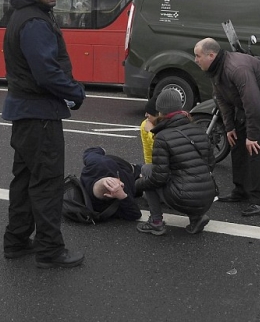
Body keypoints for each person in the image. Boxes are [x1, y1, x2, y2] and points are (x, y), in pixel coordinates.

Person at [2, 0, 86, 269]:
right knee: (48, 183)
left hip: (24, 113)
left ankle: (16, 241)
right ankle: (50, 250)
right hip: (40, 115)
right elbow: (46, 72)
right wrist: (75, 92)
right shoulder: (35, 22)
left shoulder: (21, 17)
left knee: (24, 181)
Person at [194, 37, 260, 217]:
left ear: (211, 55)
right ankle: (241, 191)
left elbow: (254, 106)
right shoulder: (215, 68)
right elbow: (221, 99)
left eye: (198, 56)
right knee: (236, 142)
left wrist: (252, 136)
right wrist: (230, 127)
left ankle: (259, 201)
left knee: (256, 149)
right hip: (247, 103)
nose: (195, 60)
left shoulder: (236, 69)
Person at [135, 89, 216, 235]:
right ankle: (196, 217)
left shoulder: (162, 137)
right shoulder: (198, 130)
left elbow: (158, 178)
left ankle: (156, 222)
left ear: (160, 112)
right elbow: (210, 164)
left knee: (147, 170)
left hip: (183, 197)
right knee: (188, 175)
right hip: (208, 196)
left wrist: (138, 184)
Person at [79, 147, 142, 222]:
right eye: (120, 187)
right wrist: (123, 196)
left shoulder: (99, 163)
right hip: (136, 181)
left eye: (118, 181)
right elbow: (135, 214)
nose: (122, 185)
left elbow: (89, 152)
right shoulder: (102, 206)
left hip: (128, 167)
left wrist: (101, 149)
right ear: (111, 194)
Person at [140, 97, 157, 164]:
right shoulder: (145, 125)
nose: (145, 115)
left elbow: (160, 152)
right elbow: (148, 153)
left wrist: (151, 132)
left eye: (149, 112)